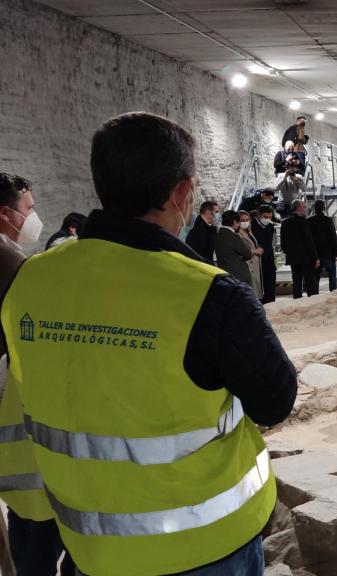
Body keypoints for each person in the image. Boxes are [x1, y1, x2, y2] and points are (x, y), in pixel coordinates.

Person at [0, 112, 296, 576]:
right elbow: (275, 400)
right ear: (181, 194)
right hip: (205, 546)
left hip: (91, 546)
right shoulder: (208, 294)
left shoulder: (30, 281)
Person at [0, 173, 77, 576]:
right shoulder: (13, 266)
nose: (34, 217)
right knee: (35, 536)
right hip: (16, 411)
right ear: (5, 213)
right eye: (28, 209)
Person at [280, 199, 319, 298]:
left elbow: (283, 243)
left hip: (293, 258)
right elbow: (309, 241)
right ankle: (312, 303)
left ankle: (297, 302)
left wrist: (290, 253)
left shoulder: (285, 223)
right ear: (298, 208)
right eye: (304, 206)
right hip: (306, 258)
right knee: (310, 283)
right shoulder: (304, 221)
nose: (306, 208)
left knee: (296, 283)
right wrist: (315, 257)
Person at [214, 210, 255, 287]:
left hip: (224, 273)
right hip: (239, 274)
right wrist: (251, 252)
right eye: (239, 221)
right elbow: (247, 254)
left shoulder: (218, 235)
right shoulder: (234, 236)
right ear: (234, 222)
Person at [309, 200, 337, 291]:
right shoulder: (328, 220)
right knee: (332, 275)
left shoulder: (309, 221)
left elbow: (309, 238)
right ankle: (333, 292)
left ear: (314, 208)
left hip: (316, 254)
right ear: (324, 208)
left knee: (315, 276)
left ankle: (314, 294)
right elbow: (333, 237)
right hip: (328, 253)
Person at [252, 204, 278, 304]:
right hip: (257, 262)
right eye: (265, 217)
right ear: (258, 215)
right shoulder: (251, 226)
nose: (268, 219)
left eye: (270, 217)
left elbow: (272, 243)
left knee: (271, 289)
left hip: (269, 261)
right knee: (259, 291)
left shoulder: (270, 226)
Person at [238, 211, 264, 300]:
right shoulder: (237, 234)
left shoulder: (249, 232)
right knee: (250, 292)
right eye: (242, 220)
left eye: (247, 219)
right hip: (248, 264)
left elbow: (252, 245)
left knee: (256, 291)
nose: (245, 222)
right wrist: (255, 251)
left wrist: (258, 248)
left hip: (255, 264)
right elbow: (242, 250)